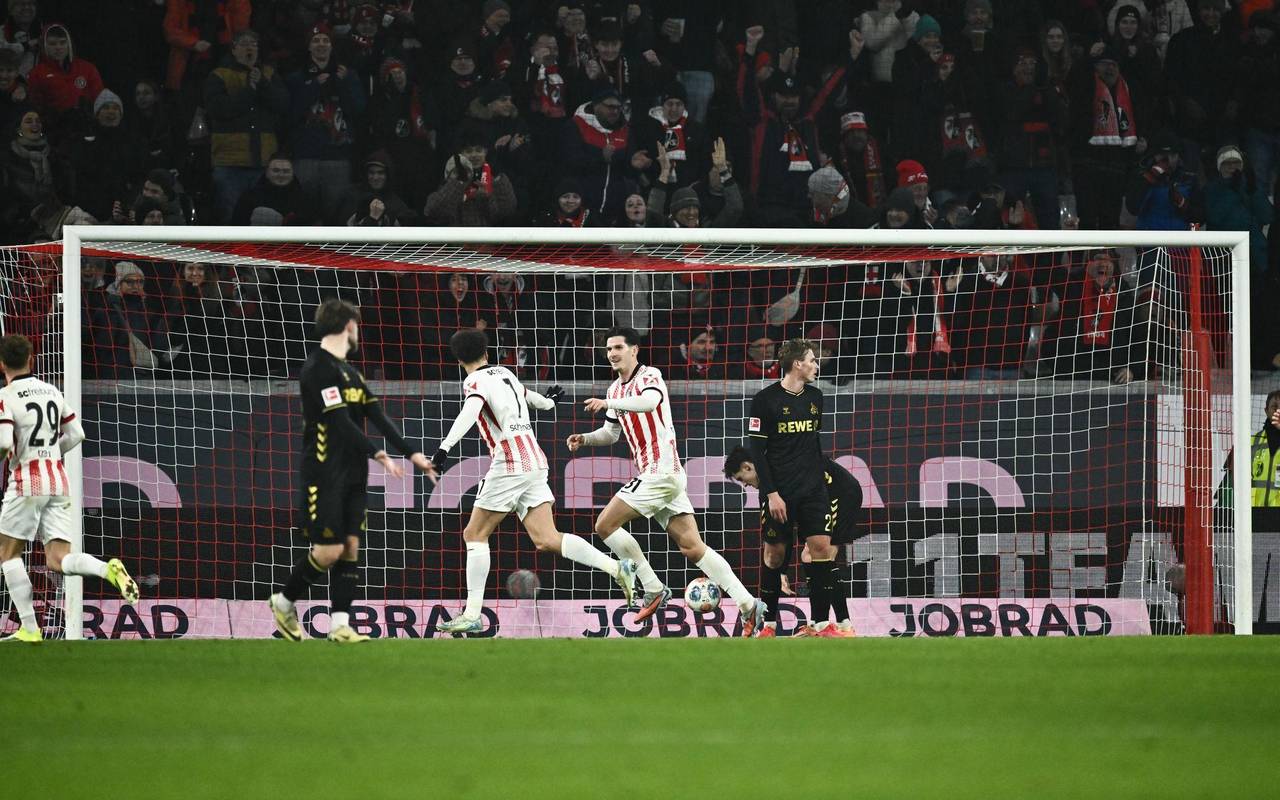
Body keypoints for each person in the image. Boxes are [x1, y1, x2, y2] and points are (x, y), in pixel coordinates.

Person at [425, 328, 635, 634]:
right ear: (486, 352)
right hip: (535, 461)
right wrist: (550, 403)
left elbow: (470, 411)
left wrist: (444, 449)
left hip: (510, 461)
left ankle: (472, 613)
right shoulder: (506, 374)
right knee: (546, 539)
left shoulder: (474, 381)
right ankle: (618, 568)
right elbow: (530, 397)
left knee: (474, 533)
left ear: (458, 359)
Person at [567, 327, 767, 634]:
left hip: (660, 471)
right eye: (608, 349)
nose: (612, 353)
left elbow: (648, 403)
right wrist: (585, 438)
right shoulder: (613, 391)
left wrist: (609, 405)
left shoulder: (649, 376)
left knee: (605, 525)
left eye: (618, 347)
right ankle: (747, 604)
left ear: (634, 350)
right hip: (662, 476)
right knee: (692, 547)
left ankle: (653, 588)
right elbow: (611, 433)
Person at [267, 299, 434, 643]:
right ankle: (283, 602)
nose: (358, 332)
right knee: (328, 551)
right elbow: (338, 420)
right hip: (325, 472)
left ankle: (340, 625)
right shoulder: (317, 369)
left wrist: (412, 454)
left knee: (351, 547)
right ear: (348, 326)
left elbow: (378, 417)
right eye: (356, 325)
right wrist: (377, 453)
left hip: (355, 475)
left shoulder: (351, 373)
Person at [0, 334, 139, 643]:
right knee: (58, 559)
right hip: (58, 479)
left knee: (8, 554)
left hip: (27, 480)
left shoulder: (5, 396)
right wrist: (51, 450)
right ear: (32, 358)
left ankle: (30, 629)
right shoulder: (51, 391)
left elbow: (5, 442)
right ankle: (107, 570)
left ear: (1, 364)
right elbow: (77, 433)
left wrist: (17, 458)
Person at [744, 338, 854, 637]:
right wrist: (771, 493)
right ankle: (767, 625)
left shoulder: (816, 397)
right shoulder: (764, 400)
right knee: (775, 556)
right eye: (812, 360)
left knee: (820, 551)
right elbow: (757, 452)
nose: (816, 365)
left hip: (814, 489)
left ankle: (820, 624)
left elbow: (810, 445)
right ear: (797, 364)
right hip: (780, 492)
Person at [723, 445, 862, 637]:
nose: (744, 484)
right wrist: (780, 571)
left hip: (841, 493)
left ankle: (844, 626)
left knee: (824, 554)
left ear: (748, 467)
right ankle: (816, 624)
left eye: (741, 478)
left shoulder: (780, 468)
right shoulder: (770, 484)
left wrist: (780, 570)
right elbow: (782, 531)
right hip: (822, 495)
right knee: (808, 556)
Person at [1250, 390, 1280, 507]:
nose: (1278, 410)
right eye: (1274, 406)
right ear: (1266, 411)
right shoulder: (1252, 442)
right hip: (1255, 514)